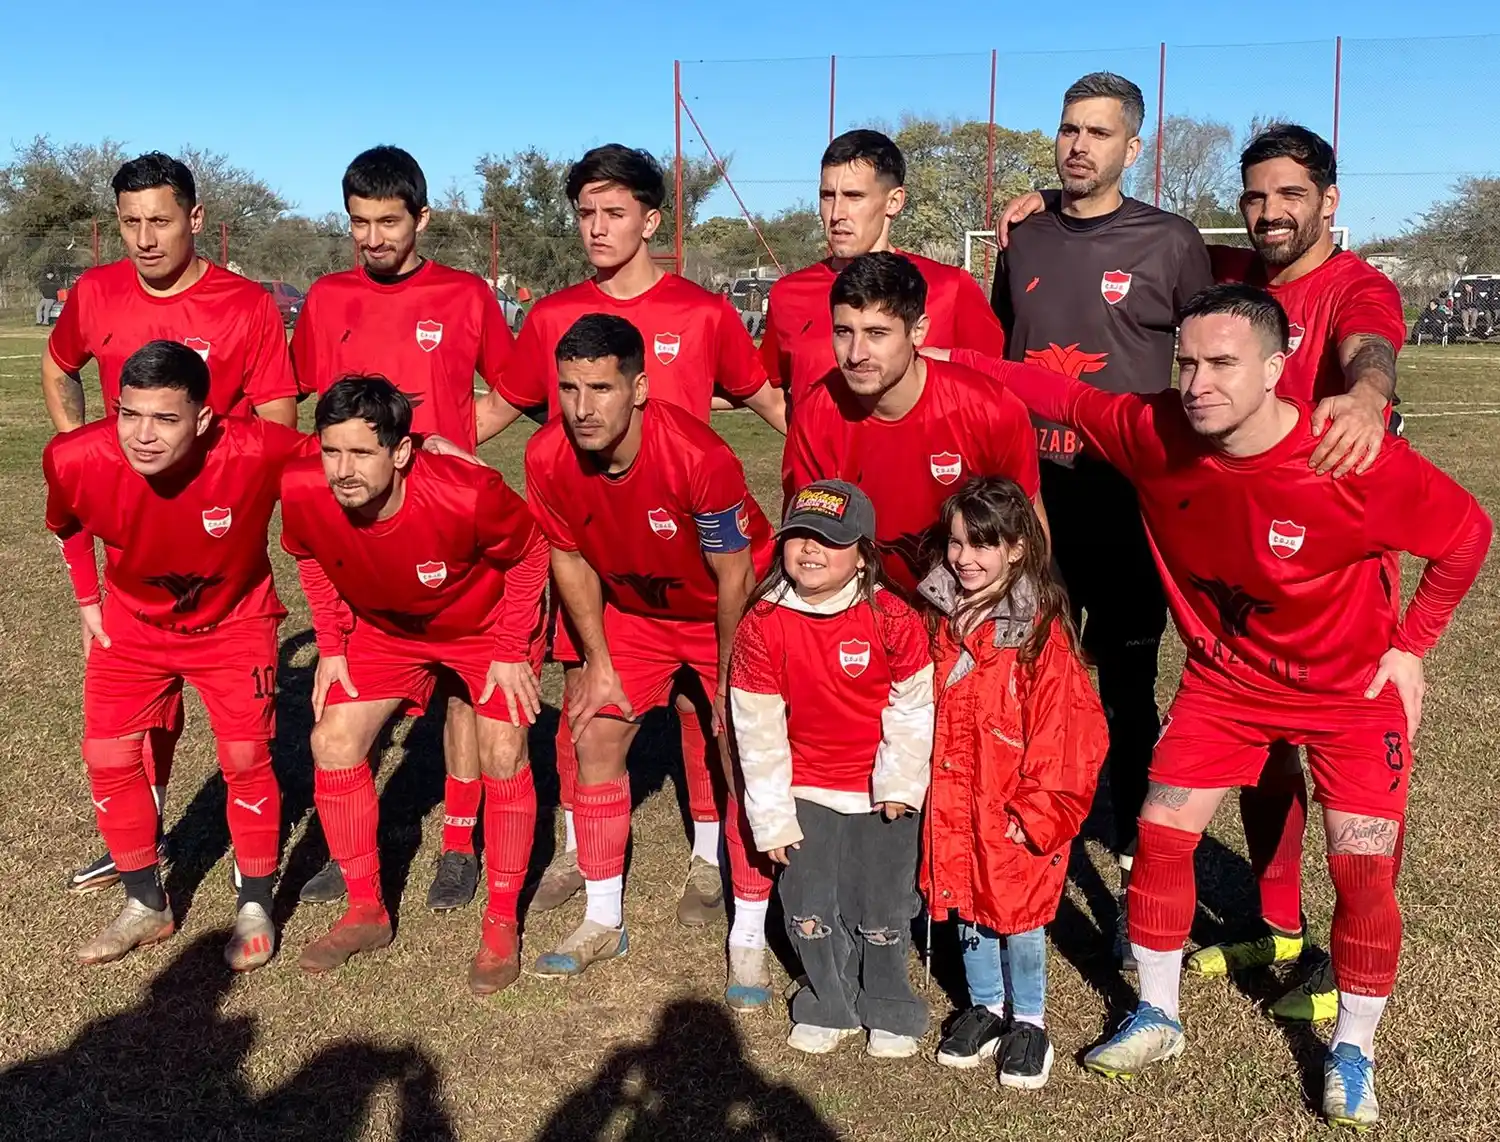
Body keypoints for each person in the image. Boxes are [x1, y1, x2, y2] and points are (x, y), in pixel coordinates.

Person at [950, 284, 1492, 1129]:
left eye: (1223, 363)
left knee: (1361, 867)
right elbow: (1061, 394)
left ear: (1276, 369)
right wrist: (947, 359)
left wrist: (1411, 644)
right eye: (1188, 362)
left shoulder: (1347, 455)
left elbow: (1466, 536)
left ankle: (1353, 1049)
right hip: (1226, 682)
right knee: (1161, 833)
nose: (1198, 383)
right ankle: (1158, 1015)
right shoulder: (1157, 429)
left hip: (1350, 692)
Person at [997, 123, 1410, 1012]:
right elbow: (1135, 237)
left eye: (1291, 195)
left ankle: (1346, 958)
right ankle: (1277, 923)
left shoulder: (1357, 287)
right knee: (1266, 753)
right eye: (1255, 196)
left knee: (1350, 779)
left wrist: (1367, 397)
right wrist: (1056, 204)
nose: (1270, 212)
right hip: (1242, 562)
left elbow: (1371, 347)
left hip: (1333, 572)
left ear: (1330, 201)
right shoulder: (1231, 273)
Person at [481, 144, 787, 929]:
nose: (596, 227)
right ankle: (578, 848)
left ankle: (709, 855)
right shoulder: (551, 317)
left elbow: (767, 403)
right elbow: (500, 408)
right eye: (585, 212)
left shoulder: (704, 313)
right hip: (600, 554)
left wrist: (846, 468)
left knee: (700, 712)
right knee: (585, 702)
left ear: (651, 221)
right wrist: (405, 445)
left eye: (614, 212)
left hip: (693, 553)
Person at [987, 72, 1213, 969]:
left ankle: (1128, 870)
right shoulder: (1024, 234)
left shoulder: (1171, 241)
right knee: (1018, 675)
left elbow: (1212, 348)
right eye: (1068, 129)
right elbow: (1000, 350)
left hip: (1122, 500)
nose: (1078, 146)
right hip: (1028, 501)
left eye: (1098, 132)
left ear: (1133, 147)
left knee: (1125, 686)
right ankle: (1010, 857)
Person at [43, 152, 298, 897]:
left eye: (160, 220)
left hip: (216, 530)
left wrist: (238, 493)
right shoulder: (96, 292)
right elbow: (59, 367)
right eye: (130, 223)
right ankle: (142, 837)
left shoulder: (245, 304)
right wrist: (86, 454)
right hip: (133, 534)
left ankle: (245, 872)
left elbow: (278, 416)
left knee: (235, 727)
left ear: (195, 218)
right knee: (136, 703)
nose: (145, 239)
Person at [523, 313, 776, 1006]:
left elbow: (734, 575)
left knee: (739, 750)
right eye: (569, 388)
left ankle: (749, 937)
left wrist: (729, 675)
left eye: (601, 388)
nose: (582, 407)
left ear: (638, 389)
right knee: (595, 733)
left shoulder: (699, 456)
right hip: (637, 616)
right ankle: (604, 920)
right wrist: (598, 661)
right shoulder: (545, 455)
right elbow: (568, 557)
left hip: (725, 608)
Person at [289, 145, 517, 913]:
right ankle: (346, 849)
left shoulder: (465, 295)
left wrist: (460, 443)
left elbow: (515, 388)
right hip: (361, 531)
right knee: (350, 681)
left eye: (389, 221)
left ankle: (457, 843)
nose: (373, 237)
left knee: (461, 689)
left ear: (422, 217)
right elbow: (300, 395)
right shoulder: (327, 298)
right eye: (359, 222)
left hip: (447, 528)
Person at [42, 340, 309, 971]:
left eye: (165, 418)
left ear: (204, 418)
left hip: (236, 622)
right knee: (107, 756)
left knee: (244, 758)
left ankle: (255, 905)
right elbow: (67, 523)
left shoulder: (258, 447)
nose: (143, 435)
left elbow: (340, 457)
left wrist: (424, 449)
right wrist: (88, 600)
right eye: (130, 414)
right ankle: (145, 903)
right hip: (132, 626)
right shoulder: (74, 456)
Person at [279, 377, 548, 989]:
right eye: (331, 451)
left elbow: (531, 553)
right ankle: (366, 910)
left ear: (401, 451)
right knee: (333, 741)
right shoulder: (302, 487)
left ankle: (501, 922)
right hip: (387, 630)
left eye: (361, 452)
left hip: (485, 628)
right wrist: (332, 645)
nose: (343, 470)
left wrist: (512, 650)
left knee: (502, 752)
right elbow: (309, 555)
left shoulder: (466, 492)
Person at [730, 479, 933, 1058]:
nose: (810, 549)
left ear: (864, 554)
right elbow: (757, 728)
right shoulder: (762, 623)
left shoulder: (892, 616)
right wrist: (772, 816)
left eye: (830, 539)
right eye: (799, 536)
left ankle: (888, 1004)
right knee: (808, 905)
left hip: (880, 793)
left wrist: (899, 783)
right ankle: (828, 1001)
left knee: (883, 905)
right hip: (805, 790)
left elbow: (914, 706)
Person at [918, 478, 1108, 1090]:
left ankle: (1028, 1020)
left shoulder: (1038, 633)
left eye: (982, 545)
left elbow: (1068, 731)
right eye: (955, 543)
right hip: (956, 796)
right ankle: (986, 1007)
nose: (964, 559)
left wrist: (1037, 811)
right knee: (967, 901)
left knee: (1019, 914)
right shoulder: (940, 613)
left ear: (1017, 548)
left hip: (1011, 800)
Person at [782, 251, 1040, 598]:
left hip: (971, 603)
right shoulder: (815, 414)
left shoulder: (991, 409)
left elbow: (1028, 532)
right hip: (864, 602)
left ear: (918, 331)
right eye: (843, 332)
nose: (856, 354)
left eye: (876, 333)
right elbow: (809, 545)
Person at [760, 129, 1007, 414]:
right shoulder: (788, 293)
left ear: (894, 202)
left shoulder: (951, 287)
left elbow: (997, 391)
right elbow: (763, 387)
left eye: (854, 196)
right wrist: (802, 433)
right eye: (827, 196)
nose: (836, 213)